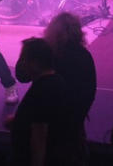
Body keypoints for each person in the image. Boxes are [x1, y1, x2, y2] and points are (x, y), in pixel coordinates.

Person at [8, 37, 82, 166]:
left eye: (24, 59)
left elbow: (39, 139)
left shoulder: (41, 91)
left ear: (34, 63)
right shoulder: (55, 81)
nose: (21, 65)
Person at [42, 12, 96, 158]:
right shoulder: (84, 55)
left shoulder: (49, 56)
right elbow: (90, 91)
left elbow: (23, 76)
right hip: (75, 122)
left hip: (49, 123)